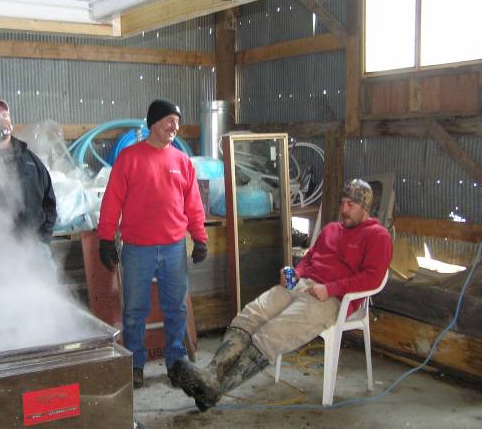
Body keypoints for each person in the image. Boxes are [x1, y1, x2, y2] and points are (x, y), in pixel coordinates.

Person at [170, 179, 393, 411]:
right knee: (251, 314)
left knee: (272, 332)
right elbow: (309, 258)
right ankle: (211, 374)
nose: (344, 209)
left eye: (351, 205)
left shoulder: (377, 236)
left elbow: (373, 278)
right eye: (342, 203)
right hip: (302, 284)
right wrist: (294, 272)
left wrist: (331, 289)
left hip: (332, 298)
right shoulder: (331, 229)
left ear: (365, 209)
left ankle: (215, 389)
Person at [97, 99, 208, 389]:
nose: (175, 126)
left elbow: (194, 205)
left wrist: (200, 238)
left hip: (173, 248)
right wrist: (106, 238)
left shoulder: (182, 161)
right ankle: (135, 364)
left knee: (176, 309)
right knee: (134, 311)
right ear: (153, 123)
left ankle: (176, 362)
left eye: (177, 121)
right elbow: (111, 202)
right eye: (170, 119)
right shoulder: (129, 158)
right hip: (137, 250)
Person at [0, 98, 57, 244]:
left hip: (33, 247)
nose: (1, 121)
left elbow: (50, 201)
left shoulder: (31, 160)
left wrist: (43, 238)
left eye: (4, 116)